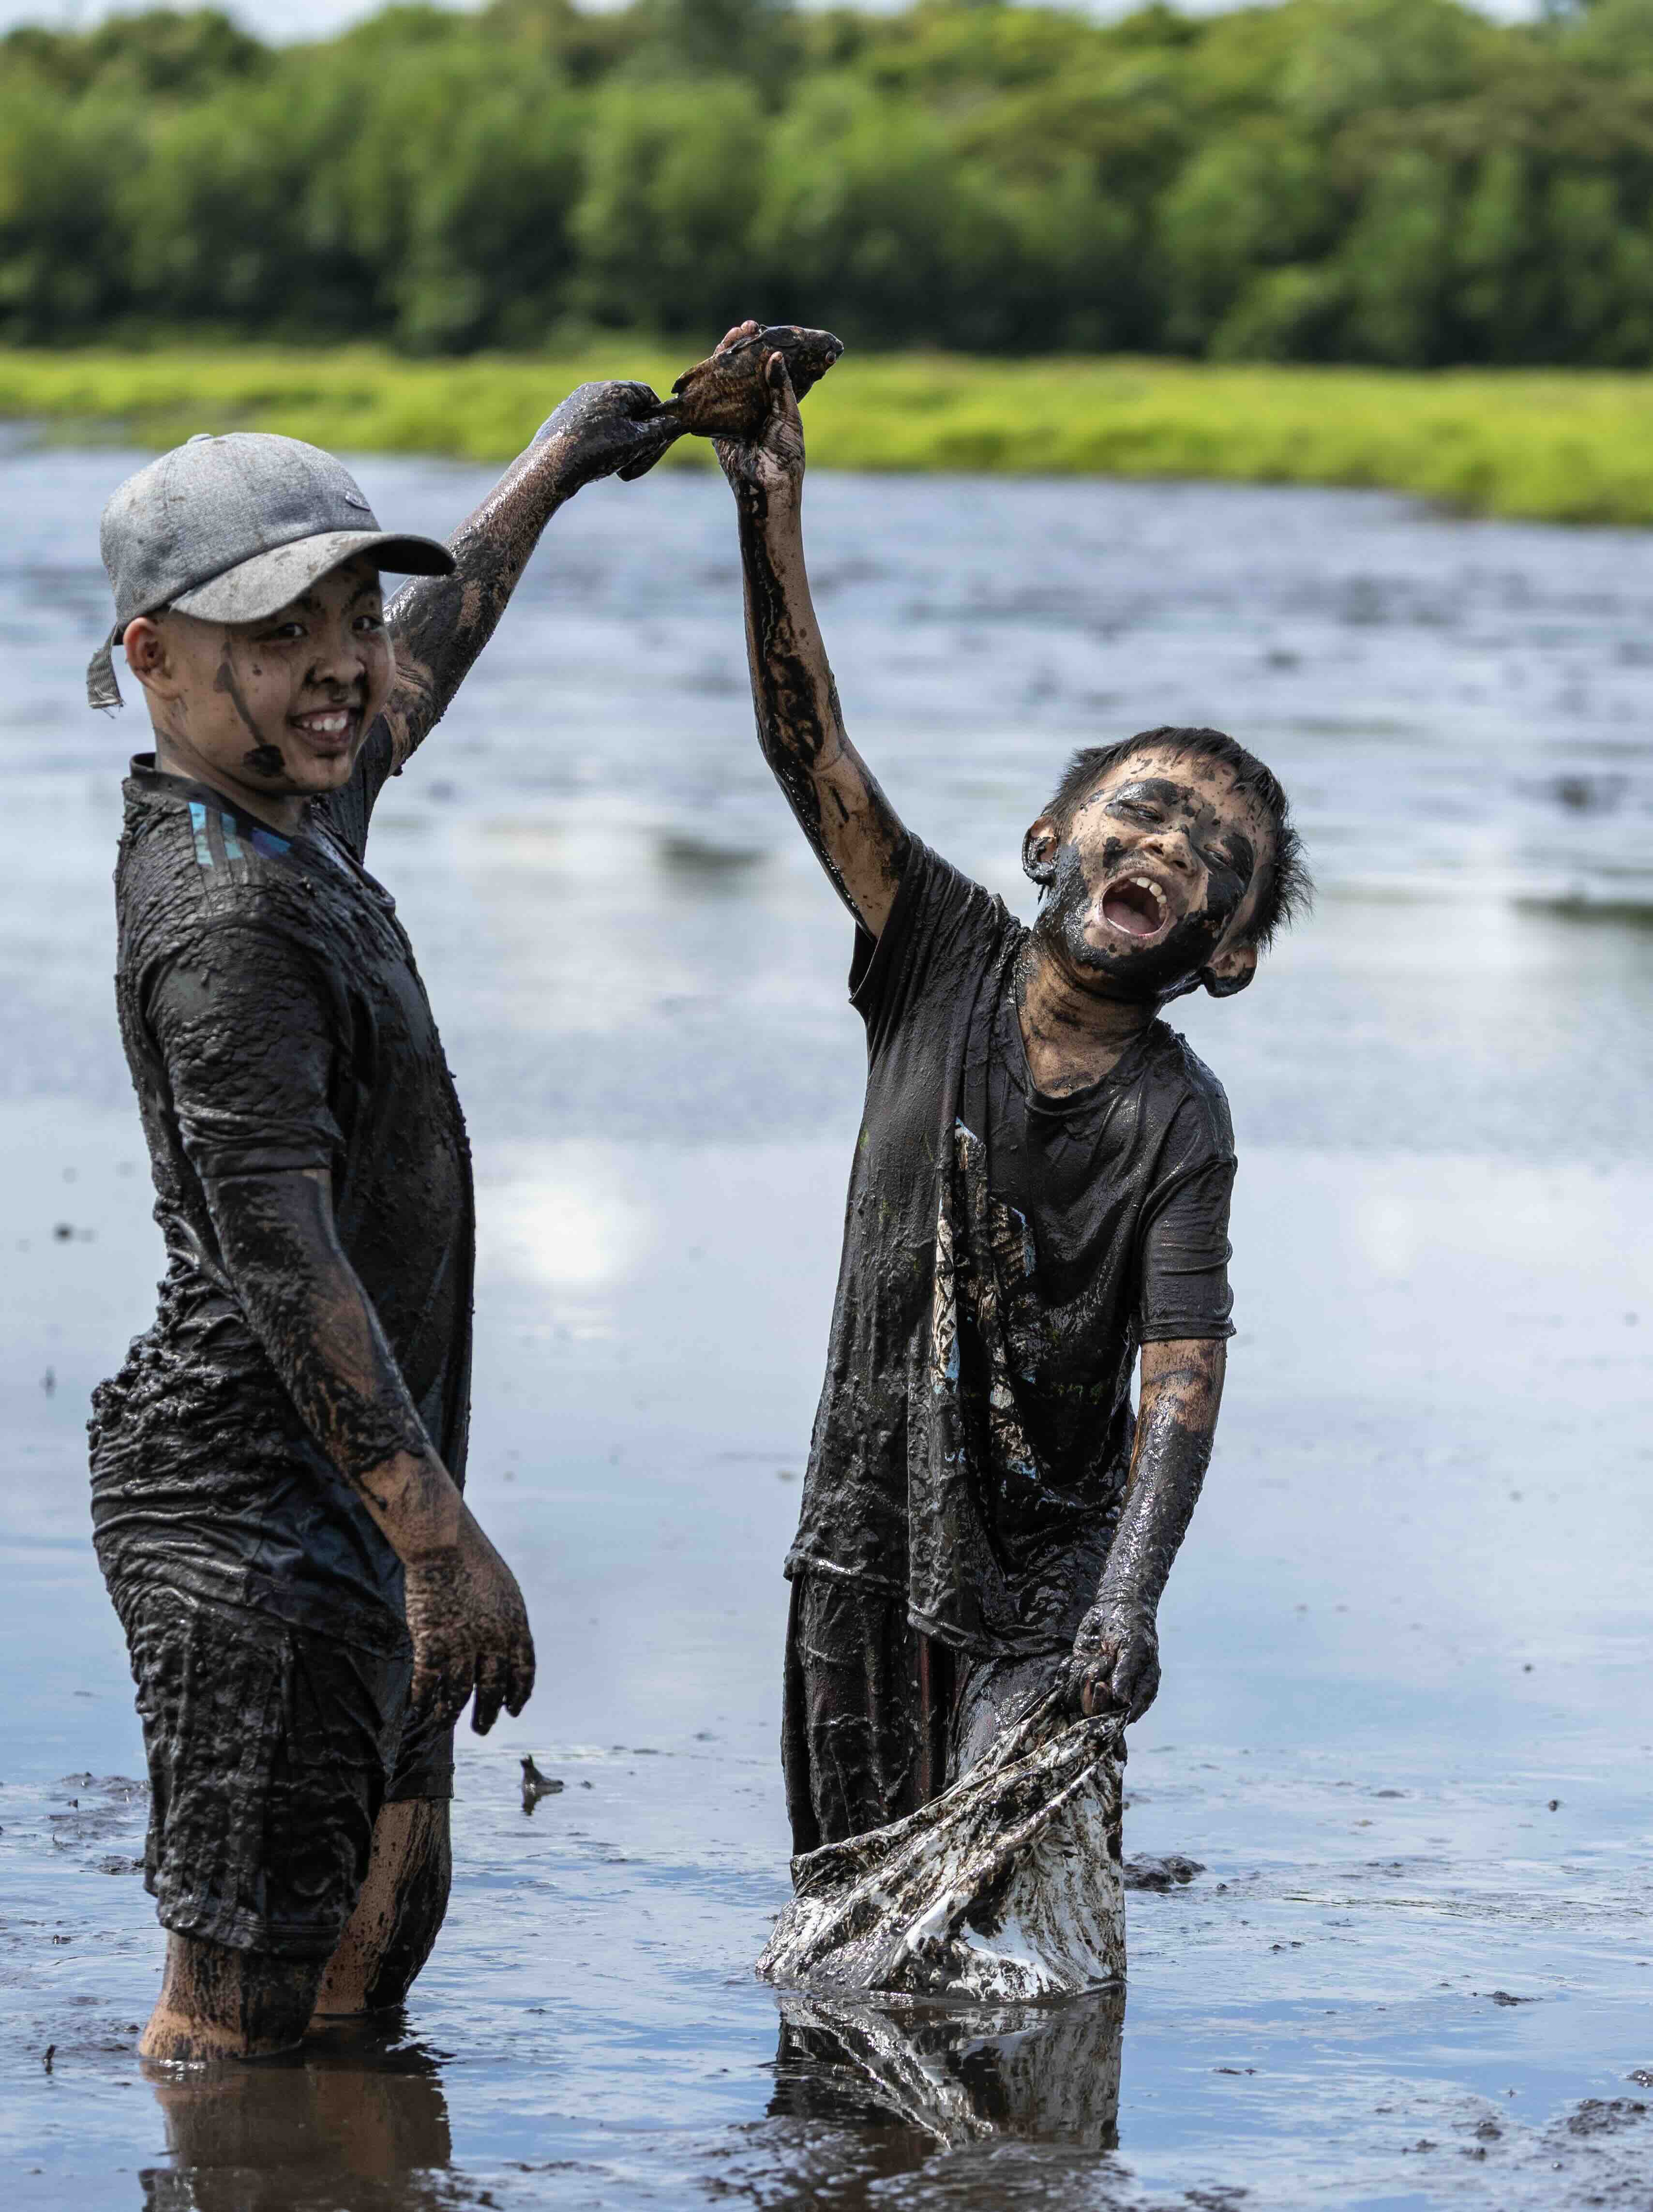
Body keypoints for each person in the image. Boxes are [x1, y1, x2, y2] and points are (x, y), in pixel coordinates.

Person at [86, 387, 676, 2060]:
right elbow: (279, 1246)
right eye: (285, 631)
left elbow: (423, 661)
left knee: (367, 1966)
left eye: (350, 612)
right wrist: (437, 1542)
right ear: (157, 659)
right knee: (241, 2020)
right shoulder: (226, 913)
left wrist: (554, 467)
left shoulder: (289, 808)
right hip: (251, 1520)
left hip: (352, 1489)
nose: (344, 661)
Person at [711, 332, 1311, 1856]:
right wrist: (766, 499)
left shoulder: (1183, 1120)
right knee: (853, 1940)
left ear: (1226, 954)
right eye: (1149, 810)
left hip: (1050, 1595)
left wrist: (1125, 1607)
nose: (1175, 844)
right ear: (1054, 841)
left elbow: (1182, 1372)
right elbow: (811, 753)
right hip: (859, 1543)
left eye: (1216, 857)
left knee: (1026, 1966)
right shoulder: (935, 958)